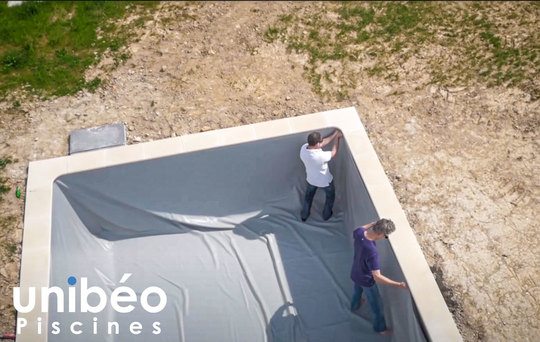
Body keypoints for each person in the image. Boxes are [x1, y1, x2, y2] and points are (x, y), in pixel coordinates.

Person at [350, 219, 407, 335]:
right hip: (366, 280)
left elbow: (362, 227)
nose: (384, 238)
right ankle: (380, 329)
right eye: (385, 236)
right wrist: (397, 284)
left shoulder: (359, 233)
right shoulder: (372, 252)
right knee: (377, 307)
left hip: (355, 272)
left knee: (357, 291)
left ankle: (354, 306)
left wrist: (373, 223)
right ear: (381, 234)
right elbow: (377, 277)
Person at [299, 129, 342, 221]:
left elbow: (321, 144)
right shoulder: (320, 156)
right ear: (317, 144)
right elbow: (334, 152)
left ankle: (304, 215)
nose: (322, 142)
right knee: (330, 198)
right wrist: (336, 139)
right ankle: (326, 216)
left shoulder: (303, 148)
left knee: (308, 198)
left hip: (311, 179)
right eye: (320, 141)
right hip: (325, 181)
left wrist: (334, 134)